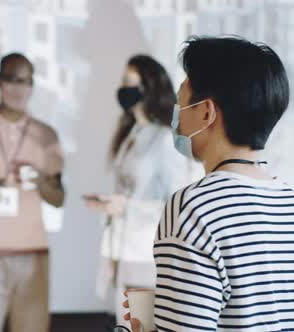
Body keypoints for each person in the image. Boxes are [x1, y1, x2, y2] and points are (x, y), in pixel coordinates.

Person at [124, 36, 293, 331]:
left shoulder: (192, 208)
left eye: (180, 104)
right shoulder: (288, 201)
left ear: (206, 113)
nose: (176, 117)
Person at [84, 55, 199, 324]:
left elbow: (178, 203)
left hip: (147, 252)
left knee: (141, 324)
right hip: (123, 247)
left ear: (148, 87)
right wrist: (110, 205)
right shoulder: (131, 133)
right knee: (128, 323)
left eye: (128, 82)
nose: (122, 88)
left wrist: (126, 206)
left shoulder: (163, 140)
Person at [0, 53, 65, 332]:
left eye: (26, 81)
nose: (19, 88)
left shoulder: (47, 135)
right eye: (12, 79)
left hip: (33, 253)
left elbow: (58, 199)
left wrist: (42, 180)